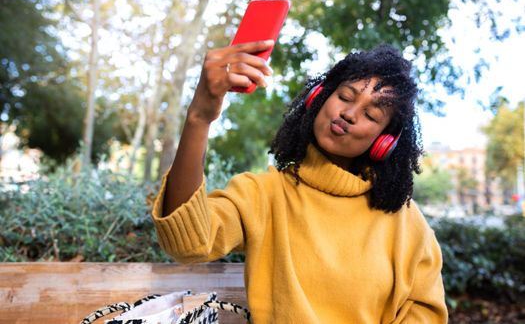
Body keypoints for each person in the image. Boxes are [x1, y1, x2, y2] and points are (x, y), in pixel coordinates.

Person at [151, 40, 448, 323]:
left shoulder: (407, 225)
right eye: (344, 97)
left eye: (371, 114)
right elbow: (187, 242)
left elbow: (424, 314)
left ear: (384, 141)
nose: (349, 113)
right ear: (318, 97)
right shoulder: (263, 195)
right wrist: (199, 117)